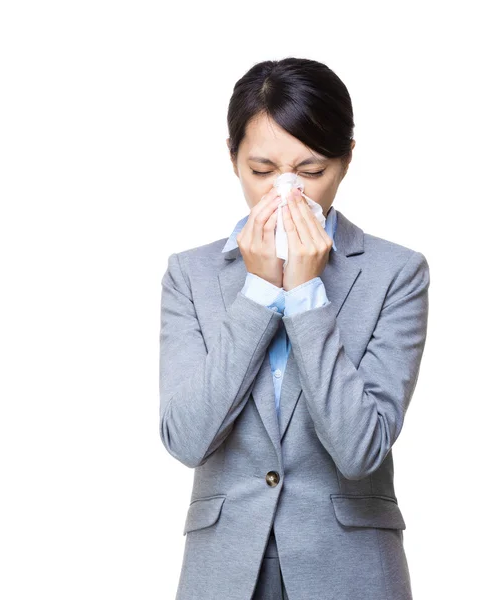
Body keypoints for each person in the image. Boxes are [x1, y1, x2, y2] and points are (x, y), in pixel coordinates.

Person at [159, 57, 429, 600]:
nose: (286, 193)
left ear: (346, 159)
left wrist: (306, 298)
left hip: (351, 569)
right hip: (224, 571)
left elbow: (360, 451)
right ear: (232, 157)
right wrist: (258, 294)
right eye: (262, 172)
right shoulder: (190, 274)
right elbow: (186, 439)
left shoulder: (397, 272)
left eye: (309, 172)